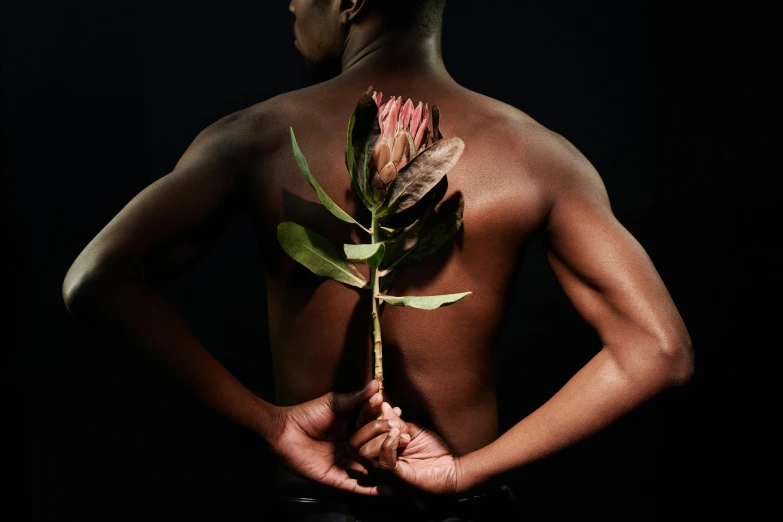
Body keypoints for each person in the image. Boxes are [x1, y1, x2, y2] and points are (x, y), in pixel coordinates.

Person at [61, 0, 694, 520]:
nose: (290, 5)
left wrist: (272, 427)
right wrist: (465, 471)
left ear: (349, 4)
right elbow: (658, 350)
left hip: (315, 505)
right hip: (469, 506)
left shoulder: (253, 139)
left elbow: (95, 280)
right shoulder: (539, 156)